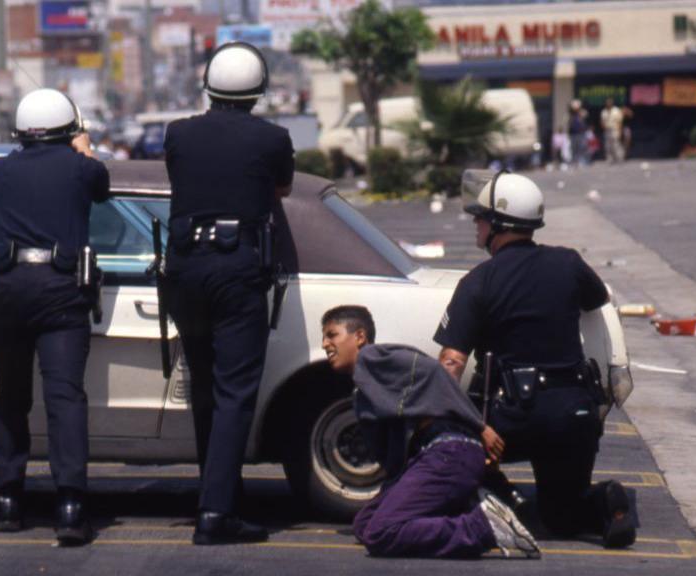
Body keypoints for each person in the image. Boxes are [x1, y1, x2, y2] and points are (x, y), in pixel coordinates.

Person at [434, 170, 637, 549]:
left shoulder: (479, 281)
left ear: (497, 223)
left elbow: (450, 365)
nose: (476, 225)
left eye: (480, 217)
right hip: (574, 417)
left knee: (444, 444)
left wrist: (459, 423)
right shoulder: (569, 263)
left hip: (514, 418)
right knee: (564, 519)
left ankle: (510, 503)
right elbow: (598, 300)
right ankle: (609, 501)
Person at [163, 41, 295, 545]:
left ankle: (218, 492)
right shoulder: (272, 138)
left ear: (209, 88)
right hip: (238, 268)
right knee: (235, 392)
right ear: (257, 92)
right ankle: (216, 513)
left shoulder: (178, 134)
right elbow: (280, 190)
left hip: (185, 270)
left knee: (204, 389)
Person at [0, 88, 109, 546]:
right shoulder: (82, 168)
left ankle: (8, 500)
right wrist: (85, 147)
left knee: (10, 397)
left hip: (8, 289)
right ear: (67, 127)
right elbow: (101, 187)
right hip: (59, 291)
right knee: (65, 399)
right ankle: (71, 507)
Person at [321, 305, 540, 559]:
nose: (325, 344)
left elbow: (434, 372)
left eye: (332, 335)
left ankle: (483, 527)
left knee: (381, 532)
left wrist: (480, 426)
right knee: (365, 524)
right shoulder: (364, 386)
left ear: (359, 337)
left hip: (448, 451)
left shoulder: (371, 358)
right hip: (435, 456)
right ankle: (470, 503)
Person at [600, 98, 624, 163]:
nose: (608, 104)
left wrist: (620, 131)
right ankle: (609, 159)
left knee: (616, 145)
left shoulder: (616, 110)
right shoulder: (604, 111)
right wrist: (603, 127)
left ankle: (619, 158)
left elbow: (620, 122)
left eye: (609, 102)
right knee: (607, 145)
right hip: (607, 130)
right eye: (607, 103)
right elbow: (602, 121)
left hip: (615, 129)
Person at [567, 99, 586, 166]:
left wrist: (579, 110)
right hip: (573, 134)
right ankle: (574, 161)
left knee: (581, 147)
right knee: (573, 148)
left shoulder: (581, 113)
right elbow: (568, 122)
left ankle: (581, 161)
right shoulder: (570, 114)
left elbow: (584, 115)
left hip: (580, 133)